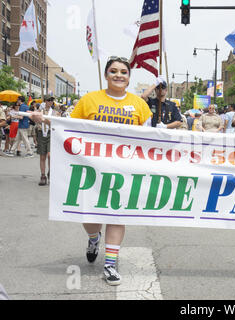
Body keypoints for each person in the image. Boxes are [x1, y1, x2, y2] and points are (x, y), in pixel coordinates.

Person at [29, 56, 152, 286]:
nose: (118, 75)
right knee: (90, 214)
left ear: (128, 77)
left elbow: (150, 138)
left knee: (117, 214)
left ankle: (110, 264)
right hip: (91, 168)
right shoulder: (89, 100)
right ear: (106, 75)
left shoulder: (139, 105)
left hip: (124, 169)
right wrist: (42, 119)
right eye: (113, 71)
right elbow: (68, 127)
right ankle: (94, 238)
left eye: (123, 72)